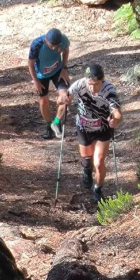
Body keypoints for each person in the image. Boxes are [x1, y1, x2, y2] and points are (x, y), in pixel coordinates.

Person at [59, 64, 122, 203]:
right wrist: (64, 98)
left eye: (97, 84)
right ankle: (87, 171)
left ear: (102, 80)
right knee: (87, 161)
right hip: (84, 127)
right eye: (90, 84)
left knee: (99, 162)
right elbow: (62, 98)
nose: (93, 88)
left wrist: (115, 120)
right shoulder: (80, 84)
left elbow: (117, 112)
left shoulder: (108, 90)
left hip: (103, 129)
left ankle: (98, 189)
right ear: (86, 80)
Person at [28, 28, 70, 139]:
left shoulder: (63, 40)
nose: (55, 48)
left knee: (66, 96)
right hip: (41, 75)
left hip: (57, 71)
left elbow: (66, 50)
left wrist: (64, 68)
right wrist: (36, 81)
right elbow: (30, 63)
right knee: (44, 101)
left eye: (57, 46)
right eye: (52, 46)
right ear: (46, 40)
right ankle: (48, 125)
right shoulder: (37, 44)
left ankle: (56, 122)